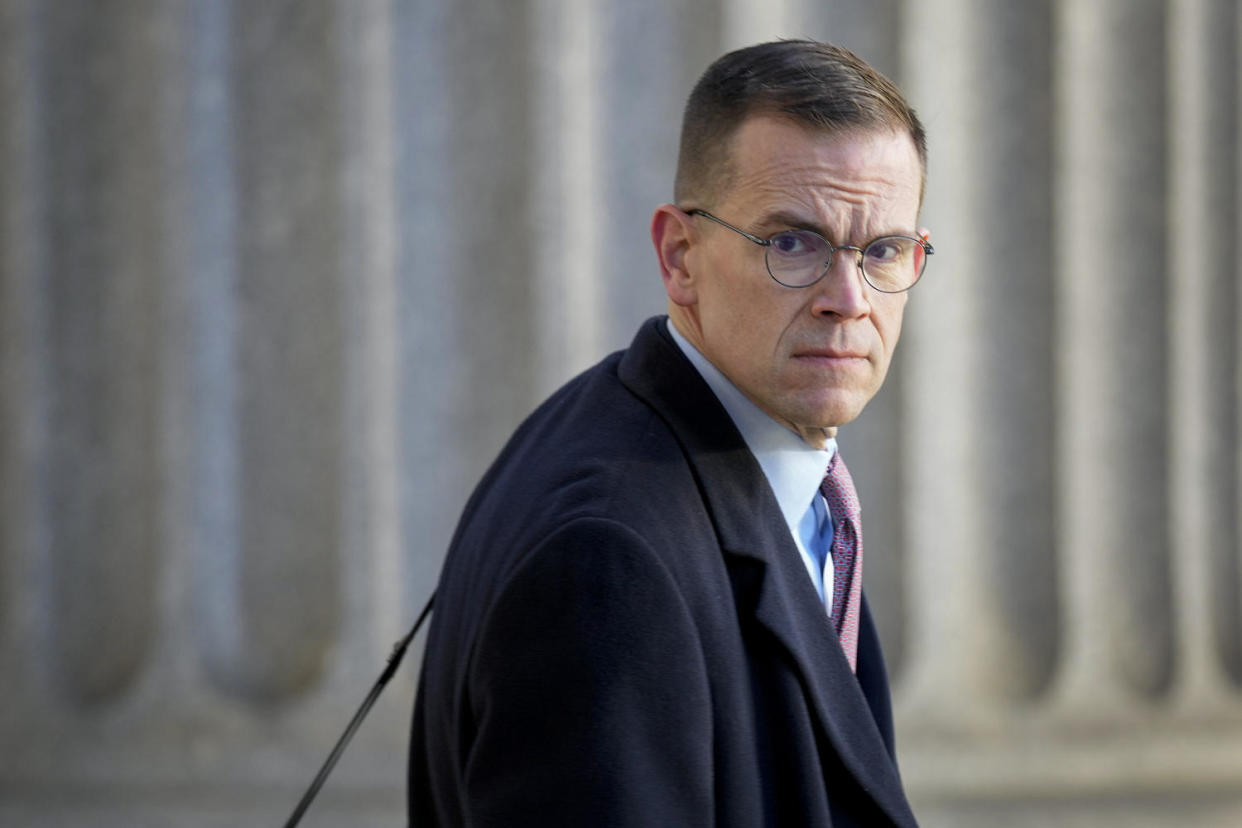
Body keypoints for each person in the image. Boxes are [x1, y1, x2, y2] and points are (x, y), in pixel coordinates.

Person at [409, 39, 931, 827]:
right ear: (680, 255)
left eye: (884, 250)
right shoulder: (607, 563)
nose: (848, 299)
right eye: (793, 242)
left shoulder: (752, 467)